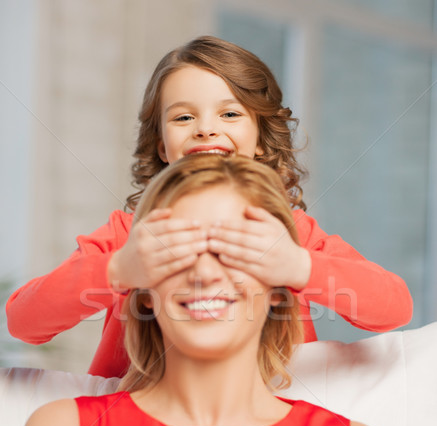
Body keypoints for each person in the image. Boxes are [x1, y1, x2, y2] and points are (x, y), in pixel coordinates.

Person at [0, 154, 410, 426]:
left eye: (236, 251)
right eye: (176, 252)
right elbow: (26, 316)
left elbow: (391, 303)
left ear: (279, 290)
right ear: (142, 291)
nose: (205, 272)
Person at [6, 36, 413, 379]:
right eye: (184, 117)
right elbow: (24, 321)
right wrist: (116, 268)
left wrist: (299, 266)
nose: (205, 127)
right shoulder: (128, 234)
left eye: (230, 113)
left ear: (259, 139)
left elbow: (394, 307)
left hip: (266, 424)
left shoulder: (292, 233)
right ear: (162, 146)